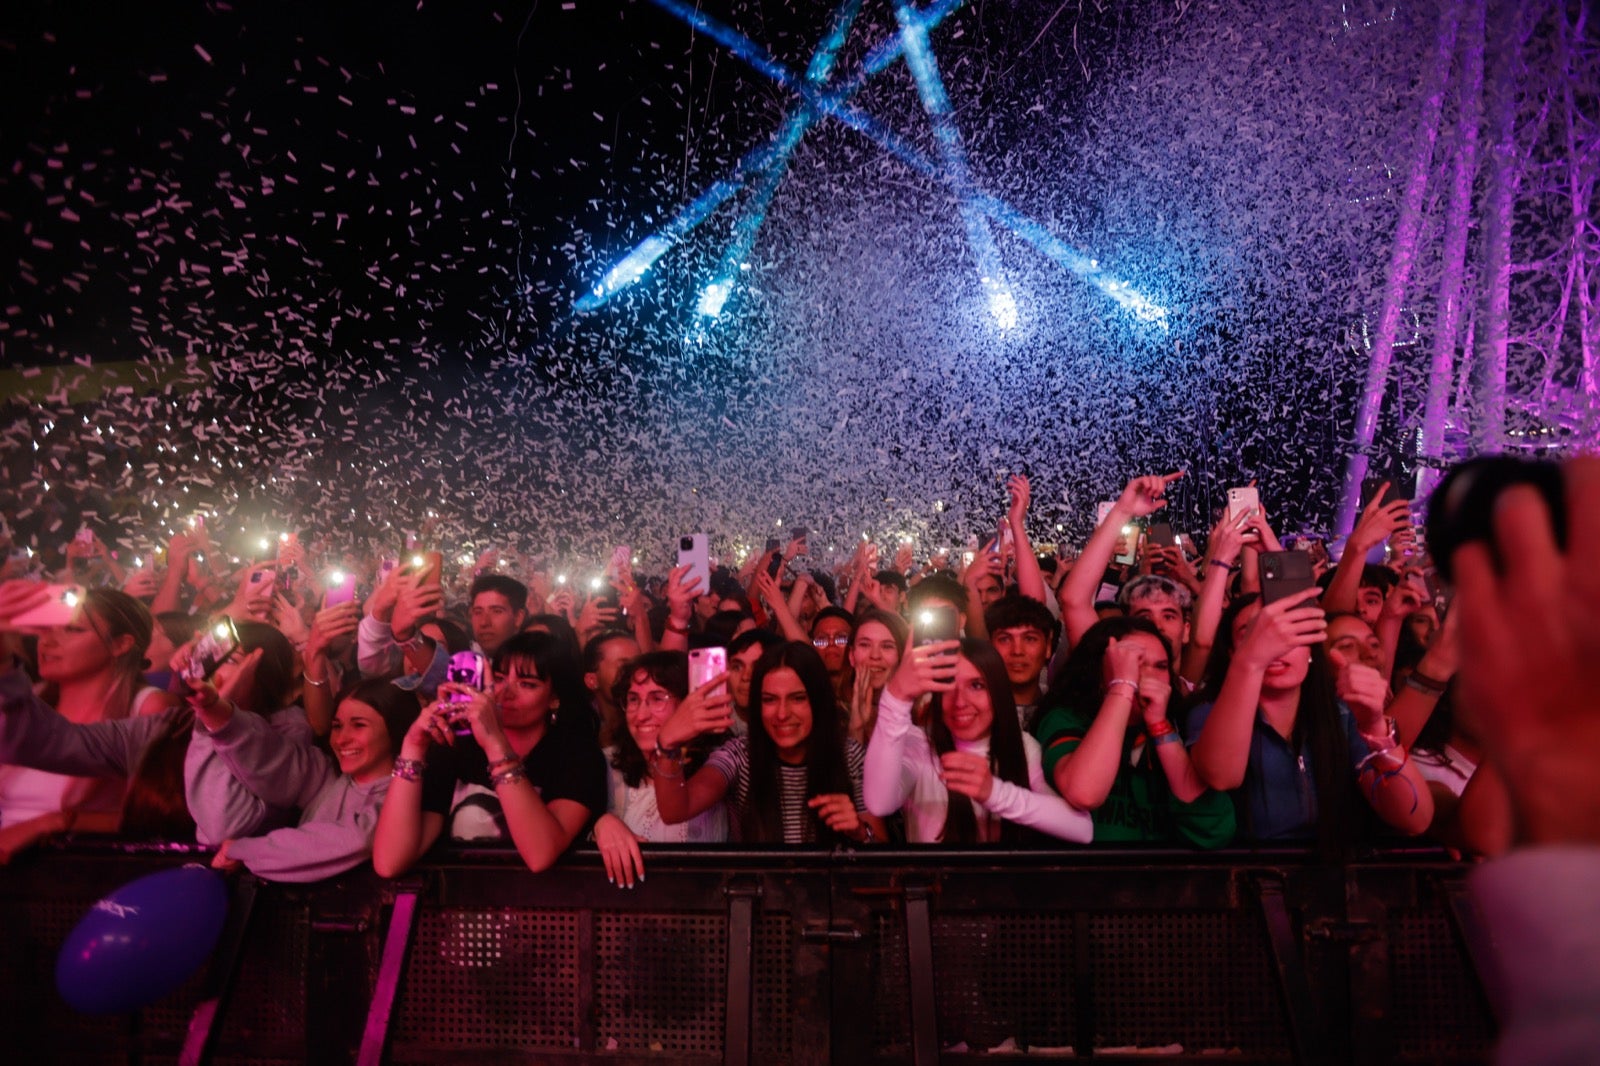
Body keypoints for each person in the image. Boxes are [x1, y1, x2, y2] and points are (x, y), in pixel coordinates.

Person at [1185, 591, 1434, 849]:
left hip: (1333, 869)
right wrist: (1251, 662)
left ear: (1311, 647)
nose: (1276, 647)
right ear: (1231, 653)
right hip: (1247, 870)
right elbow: (1221, 776)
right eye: (1253, 634)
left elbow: (1415, 820)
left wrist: (1375, 728)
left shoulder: (1341, 713)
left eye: (1291, 632)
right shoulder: (1208, 710)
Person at [372, 631, 606, 876]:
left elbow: (540, 854)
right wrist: (413, 747)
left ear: (555, 698)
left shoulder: (578, 756)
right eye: (500, 678)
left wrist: (495, 744)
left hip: (546, 898)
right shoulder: (457, 748)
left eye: (527, 684)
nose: (506, 693)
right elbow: (389, 863)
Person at [649, 642, 885, 845]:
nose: (782, 714)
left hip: (831, 885)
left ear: (818, 700)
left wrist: (859, 831)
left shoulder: (849, 754)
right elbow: (675, 811)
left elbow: (882, 849)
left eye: (797, 699)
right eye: (769, 700)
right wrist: (667, 744)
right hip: (759, 885)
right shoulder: (740, 755)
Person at [0, 588, 173, 862]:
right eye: (46, 629)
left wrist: (54, 822)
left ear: (120, 644)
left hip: (79, 867)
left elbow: (162, 814)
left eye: (72, 629)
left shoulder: (148, 707)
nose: (47, 641)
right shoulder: (30, 699)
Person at [865, 637, 1092, 844]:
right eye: (948, 687)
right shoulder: (921, 744)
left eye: (976, 685)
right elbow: (879, 803)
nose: (960, 702)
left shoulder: (1024, 747)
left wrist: (994, 793)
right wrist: (895, 698)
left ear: (997, 690)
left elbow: (1082, 828)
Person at [1033, 618, 1234, 847]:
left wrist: (1159, 724)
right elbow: (1084, 793)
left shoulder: (1179, 721)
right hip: (1087, 869)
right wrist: (1122, 685)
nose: (1149, 676)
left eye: (1160, 666)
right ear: (1097, 669)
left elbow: (1214, 830)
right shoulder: (1065, 718)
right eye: (1133, 664)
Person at [209, 678, 421, 881]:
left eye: (359, 725)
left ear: (395, 730)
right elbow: (267, 757)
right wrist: (212, 711)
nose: (341, 739)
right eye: (337, 726)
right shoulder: (327, 776)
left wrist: (241, 849)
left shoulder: (398, 803)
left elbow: (342, 840)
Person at [591, 652, 728, 887]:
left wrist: (668, 746)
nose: (641, 715)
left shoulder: (720, 762)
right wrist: (599, 824)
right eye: (633, 699)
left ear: (688, 704)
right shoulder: (605, 764)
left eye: (657, 699)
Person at [983, 594, 1056, 731]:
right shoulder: (973, 709)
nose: (1017, 651)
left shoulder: (1060, 708)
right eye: (1004, 639)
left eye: (1030, 639)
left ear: (1048, 647)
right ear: (989, 646)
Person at [840, 609, 907, 745]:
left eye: (887, 646)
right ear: (851, 656)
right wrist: (856, 728)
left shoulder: (923, 714)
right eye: (865, 645)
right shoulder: (830, 713)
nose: (875, 655)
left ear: (902, 657)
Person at [582, 629, 642, 749]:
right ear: (592, 680)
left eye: (639, 664)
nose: (636, 673)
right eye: (624, 666)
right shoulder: (581, 734)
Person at [469, 574, 529, 657]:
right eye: (478, 612)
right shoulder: (460, 662)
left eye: (497, 611)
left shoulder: (537, 663)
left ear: (518, 617)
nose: (484, 622)